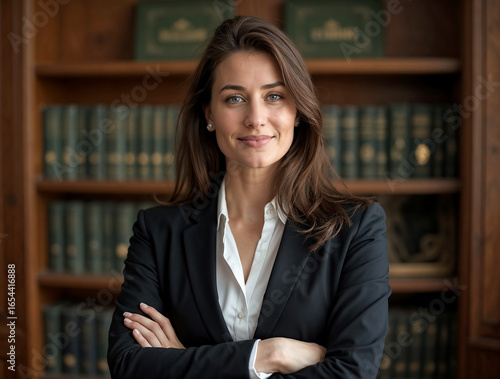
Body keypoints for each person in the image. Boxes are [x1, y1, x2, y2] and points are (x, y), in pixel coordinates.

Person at [108, 15, 391, 379]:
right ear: (209, 114)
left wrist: (185, 361)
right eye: (235, 98)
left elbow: (353, 372)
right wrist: (269, 355)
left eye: (274, 96)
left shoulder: (356, 229)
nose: (256, 118)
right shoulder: (158, 232)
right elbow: (129, 366)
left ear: (298, 111)